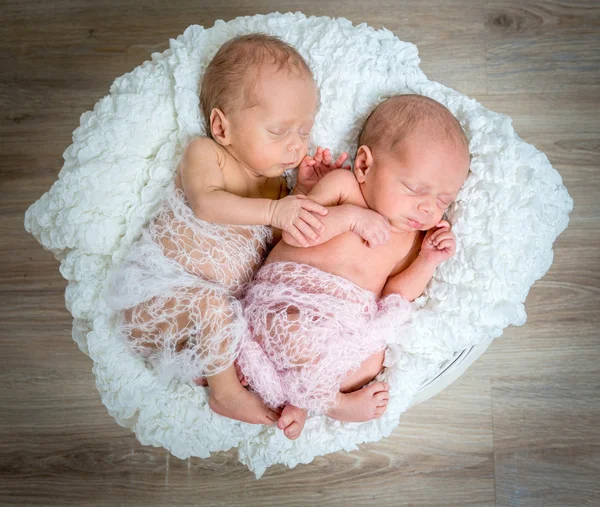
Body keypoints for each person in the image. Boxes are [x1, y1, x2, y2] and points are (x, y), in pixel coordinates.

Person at [104, 34, 393, 427]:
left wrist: (305, 194)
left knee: (271, 336)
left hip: (218, 325)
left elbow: (278, 255)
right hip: (161, 297)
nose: (295, 147)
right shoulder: (207, 155)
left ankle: (297, 400)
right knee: (211, 306)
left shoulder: (278, 188)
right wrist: (277, 210)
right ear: (222, 127)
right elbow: (207, 205)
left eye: (304, 133)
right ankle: (225, 396)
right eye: (278, 132)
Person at [235, 94, 472, 439]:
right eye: (414, 189)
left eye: (442, 201)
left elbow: (396, 294)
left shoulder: (411, 238)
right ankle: (331, 403)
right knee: (273, 333)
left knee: (370, 360)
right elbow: (293, 232)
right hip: (290, 302)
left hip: (341, 324)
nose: (427, 210)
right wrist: (349, 219)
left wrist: (428, 261)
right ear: (364, 166)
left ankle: (300, 402)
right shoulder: (343, 188)